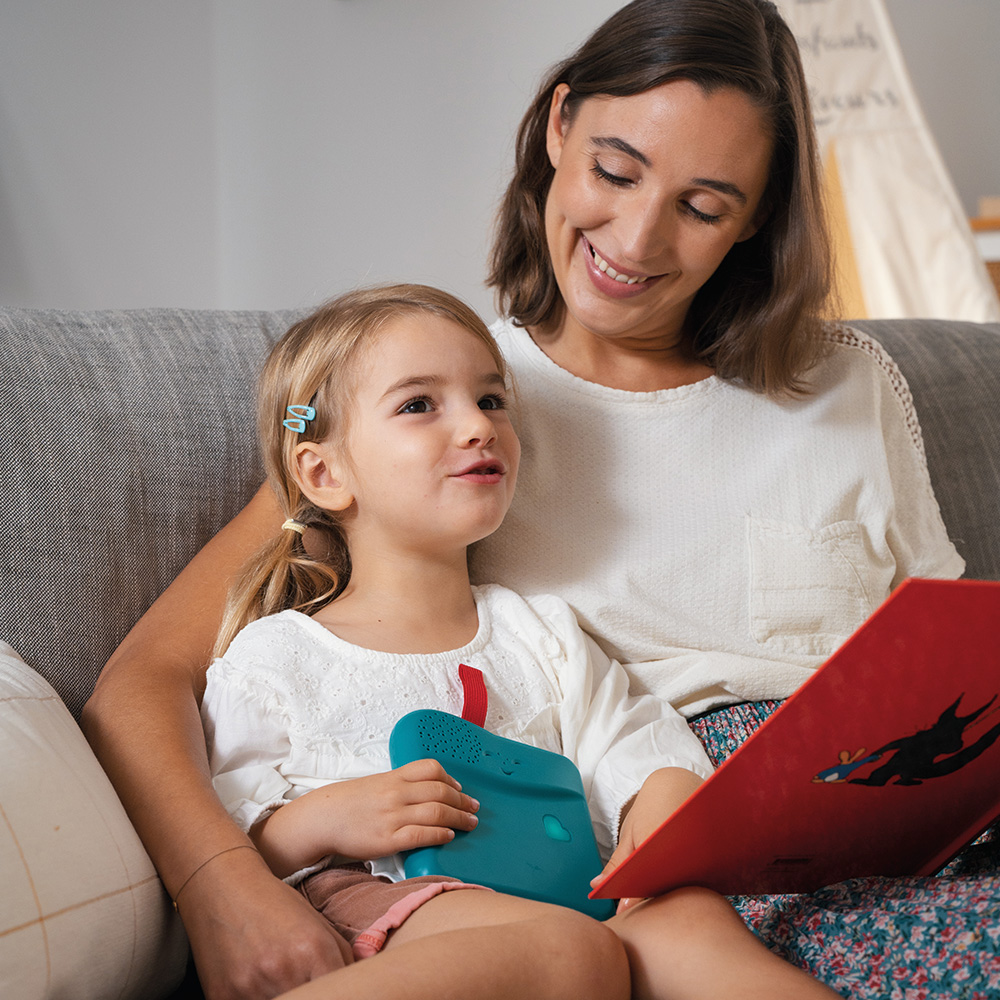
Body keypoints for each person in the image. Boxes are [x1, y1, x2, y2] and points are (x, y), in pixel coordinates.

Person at [81, 2, 981, 999]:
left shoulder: (850, 387)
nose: (635, 240)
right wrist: (225, 887)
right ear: (557, 127)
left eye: (704, 204)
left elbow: (949, 656)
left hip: (893, 807)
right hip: (677, 879)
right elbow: (142, 686)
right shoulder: (444, 410)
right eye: (614, 168)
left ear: (759, 215)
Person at [195, 282, 838, 1000]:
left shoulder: (540, 633)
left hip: (563, 896)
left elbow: (630, 742)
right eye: (419, 405)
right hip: (377, 908)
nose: (477, 425)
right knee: (567, 951)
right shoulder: (278, 656)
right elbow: (231, 840)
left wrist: (659, 804)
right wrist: (318, 822)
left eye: (492, 399)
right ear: (325, 473)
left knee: (683, 920)